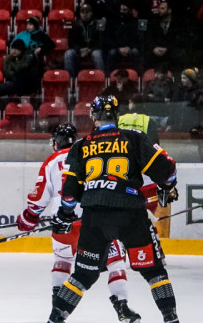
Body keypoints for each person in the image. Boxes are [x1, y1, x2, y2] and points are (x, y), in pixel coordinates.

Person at [47, 95, 179, 323]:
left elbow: (69, 192)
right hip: (131, 215)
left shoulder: (81, 146)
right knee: (154, 272)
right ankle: (171, 318)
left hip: (95, 217)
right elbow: (168, 171)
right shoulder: (134, 138)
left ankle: (54, 319)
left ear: (92, 116)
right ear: (116, 115)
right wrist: (166, 188)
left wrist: (65, 215)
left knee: (82, 276)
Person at [18, 123, 141, 322]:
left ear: (55, 142)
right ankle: (122, 306)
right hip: (95, 220)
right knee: (115, 261)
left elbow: (40, 195)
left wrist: (29, 217)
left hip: (63, 222)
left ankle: (57, 309)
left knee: (63, 262)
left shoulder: (51, 160)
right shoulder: (89, 154)